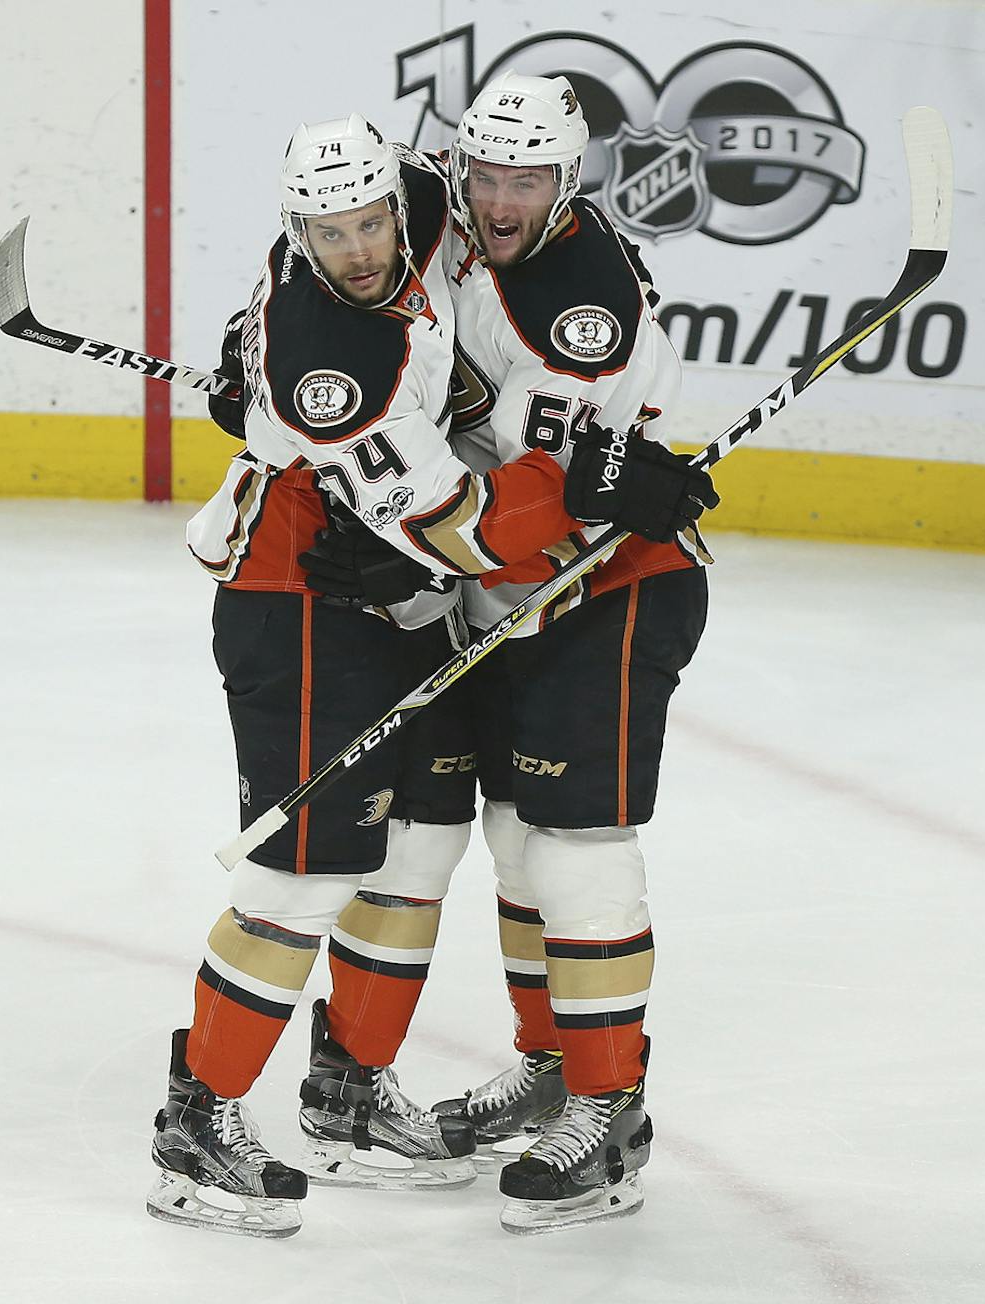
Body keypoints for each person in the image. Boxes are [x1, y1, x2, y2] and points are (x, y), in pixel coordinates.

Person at [153, 113, 706, 1238]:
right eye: (331, 233)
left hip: (513, 590)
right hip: (332, 582)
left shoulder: (445, 221)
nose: (361, 250)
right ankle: (201, 1119)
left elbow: (492, 496)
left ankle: (474, 1097)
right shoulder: (341, 362)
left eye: (370, 225)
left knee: (471, 839)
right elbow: (450, 520)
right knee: (316, 869)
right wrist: (585, 486)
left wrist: (604, 479)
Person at [411, 71, 716, 1233]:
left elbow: (560, 495)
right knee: (517, 848)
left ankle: (609, 1111)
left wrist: (595, 478)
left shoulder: (584, 295)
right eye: (485, 172)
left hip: (613, 586)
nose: (499, 197)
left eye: (525, 179)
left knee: (579, 850)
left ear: (568, 178)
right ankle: (549, 1064)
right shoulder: (438, 229)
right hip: (502, 593)